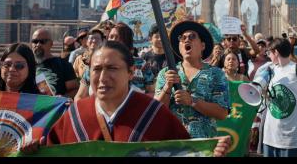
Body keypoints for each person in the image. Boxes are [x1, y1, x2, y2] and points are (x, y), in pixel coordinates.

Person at [20, 41, 231, 157]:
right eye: (97, 69)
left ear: (131, 72)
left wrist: (210, 152)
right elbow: (52, 149)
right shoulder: (75, 114)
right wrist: (33, 150)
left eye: (112, 68)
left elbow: (186, 153)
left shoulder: (153, 113)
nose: (103, 78)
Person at [155, 20, 230, 138]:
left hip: (204, 146)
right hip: (172, 145)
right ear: (179, 47)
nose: (187, 40)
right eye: (182, 38)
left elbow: (222, 113)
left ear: (202, 46)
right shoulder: (166, 73)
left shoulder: (216, 74)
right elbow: (155, 111)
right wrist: (167, 87)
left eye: (192, 37)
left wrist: (192, 101)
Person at [262, 38, 297, 157]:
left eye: (269, 53)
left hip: (290, 139)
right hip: (270, 136)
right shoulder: (271, 70)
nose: (268, 56)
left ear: (276, 52)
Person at [31, 28, 79, 98]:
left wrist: (63, 98)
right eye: (35, 41)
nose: (38, 44)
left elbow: (75, 89)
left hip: (54, 107)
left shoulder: (64, 65)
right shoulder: (25, 65)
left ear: (51, 44)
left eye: (42, 41)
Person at [109, 22, 154, 94]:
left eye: (117, 37)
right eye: (111, 37)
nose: (113, 40)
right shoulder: (98, 63)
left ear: (126, 40)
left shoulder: (142, 64)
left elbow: (151, 91)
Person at [73, 28, 106, 102]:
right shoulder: (88, 69)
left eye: (97, 38)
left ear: (103, 41)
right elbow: (79, 96)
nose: (94, 41)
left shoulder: (110, 62)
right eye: (91, 38)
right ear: (87, 42)